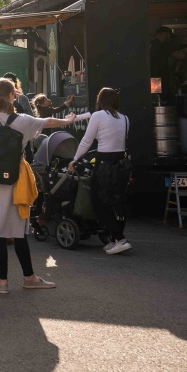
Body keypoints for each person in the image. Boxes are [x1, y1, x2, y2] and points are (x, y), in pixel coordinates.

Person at [0, 78, 74, 294]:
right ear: (12, 96)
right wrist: (69, 120)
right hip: (14, 179)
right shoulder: (23, 120)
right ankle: (29, 277)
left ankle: (2, 282)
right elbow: (50, 122)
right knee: (18, 230)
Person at [68, 87, 132, 255]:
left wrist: (74, 159)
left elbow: (86, 141)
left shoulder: (98, 116)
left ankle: (119, 238)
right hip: (122, 165)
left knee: (99, 202)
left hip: (104, 164)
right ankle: (114, 238)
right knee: (117, 202)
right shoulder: (125, 119)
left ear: (100, 100)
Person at [150, 26, 187, 101]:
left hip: (153, 78)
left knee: (156, 100)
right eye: (169, 35)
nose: (170, 38)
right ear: (165, 34)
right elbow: (181, 56)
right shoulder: (163, 45)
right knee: (164, 100)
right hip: (161, 77)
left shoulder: (151, 45)